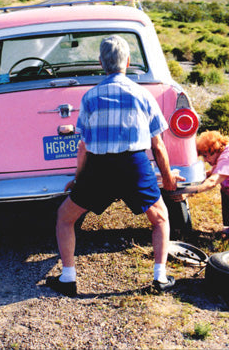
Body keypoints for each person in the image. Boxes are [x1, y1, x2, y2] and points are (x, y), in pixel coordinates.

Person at [46, 35, 183, 297]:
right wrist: (167, 179)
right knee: (160, 218)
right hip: (134, 164)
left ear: (101, 63)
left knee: (65, 218)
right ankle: (160, 278)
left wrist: (78, 179)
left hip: (99, 169)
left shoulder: (90, 96)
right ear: (128, 62)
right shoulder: (142, 94)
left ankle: (68, 278)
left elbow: (84, 146)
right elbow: (158, 145)